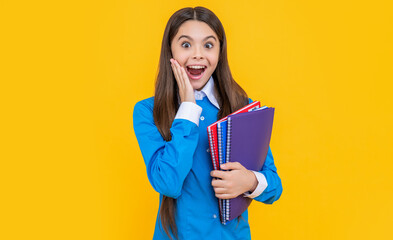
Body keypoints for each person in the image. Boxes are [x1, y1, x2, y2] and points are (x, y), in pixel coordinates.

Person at [133, 6, 283, 240]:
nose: (197, 55)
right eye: (185, 44)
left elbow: (274, 186)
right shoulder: (148, 111)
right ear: (169, 50)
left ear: (220, 52)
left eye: (208, 45)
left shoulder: (243, 107)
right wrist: (188, 109)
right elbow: (168, 183)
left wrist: (249, 181)